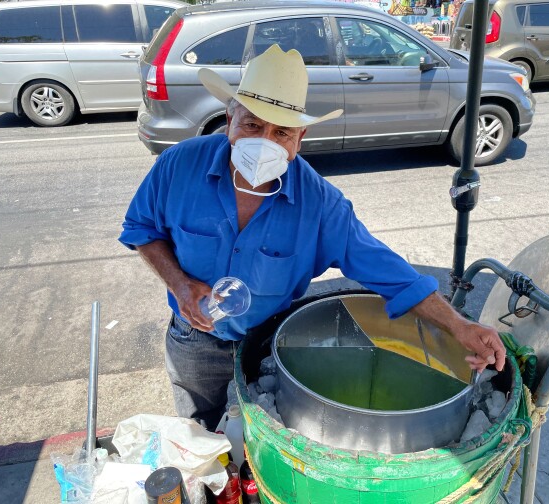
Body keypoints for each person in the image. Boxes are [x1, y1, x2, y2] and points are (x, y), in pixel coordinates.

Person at [119, 44, 506, 430]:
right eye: (252, 125)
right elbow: (141, 229)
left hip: (264, 346)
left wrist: (460, 326)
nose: (264, 142)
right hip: (194, 340)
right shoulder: (178, 165)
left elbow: (394, 275)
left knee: (255, 439)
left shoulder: (321, 204)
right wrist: (180, 284)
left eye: (281, 132)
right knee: (197, 434)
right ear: (229, 117)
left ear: (299, 139)